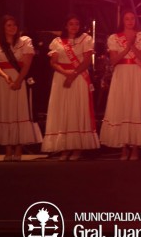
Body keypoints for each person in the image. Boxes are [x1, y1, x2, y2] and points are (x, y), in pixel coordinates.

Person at [0, 15, 41, 160]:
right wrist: (5, 77)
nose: (12, 27)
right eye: (9, 25)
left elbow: (27, 64)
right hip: (2, 82)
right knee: (5, 112)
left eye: (14, 25)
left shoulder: (25, 42)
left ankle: (19, 149)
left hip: (19, 79)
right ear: (3, 28)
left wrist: (18, 81)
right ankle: (8, 150)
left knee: (18, 111)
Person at [42, 14, 99, 161]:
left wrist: (72, 75)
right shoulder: (57, 42)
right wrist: (65, 72)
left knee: (77, 109)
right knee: (63, 110)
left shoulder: (85, 39)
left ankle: (77, 147)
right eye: (71, 23)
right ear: (65, 26)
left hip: (78, 77)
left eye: (77, 23)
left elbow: (87, 62)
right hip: (62, 76)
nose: (74, 26)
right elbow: (53, 62)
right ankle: (64, 147)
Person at [100, 10, 141, 160]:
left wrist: (133, 46)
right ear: (122, 21)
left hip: (136, 73)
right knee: (122, 107)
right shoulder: (114, 38)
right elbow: (113, 60)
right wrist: (127, 47)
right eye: (127, 19)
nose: (130, 21)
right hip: (121, 73)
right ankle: (124, 147)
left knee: (135, 107)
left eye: (132, 19)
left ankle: (135, 146)